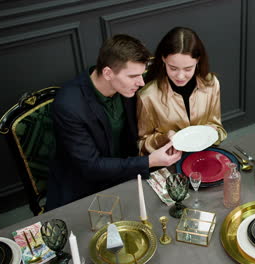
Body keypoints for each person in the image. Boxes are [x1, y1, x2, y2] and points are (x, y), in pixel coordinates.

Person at [46, 34, 182, 210]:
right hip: (86, 188)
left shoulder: (126, 87)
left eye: (141, 74)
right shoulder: (68, 106)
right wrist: (148, 162)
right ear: (108, 73)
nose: (141, 83)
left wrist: (166, 136)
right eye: (133, 76)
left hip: (128, 174)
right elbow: (91, 166)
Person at [136, 27, 227, 155]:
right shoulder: (147, 96)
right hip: (169, 162)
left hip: (204, 155)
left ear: (198, 61)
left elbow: (218, 128)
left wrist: (213, 131)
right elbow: (142, 145)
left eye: (188, 69)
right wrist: (165, 138)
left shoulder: (211, 84)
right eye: (173, 68)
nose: (180, 76)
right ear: (163, 59)